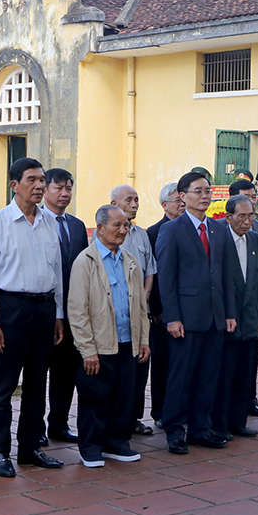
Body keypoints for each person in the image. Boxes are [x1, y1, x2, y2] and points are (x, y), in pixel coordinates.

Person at [0, 157, 65, 477]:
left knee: (36, 383)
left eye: (42, 180)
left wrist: (57, 313)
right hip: (10, 309)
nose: (40, 186)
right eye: (32, 180)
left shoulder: (49, 222)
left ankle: (29, 448)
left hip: (43, 309)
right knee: (2, 385)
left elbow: (55, 270)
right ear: (14, 185)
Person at [155, 172, 237, 454]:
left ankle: (200, 428)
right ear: (182, 195)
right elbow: (167, 278)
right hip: (186, 319)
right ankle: (174, 429)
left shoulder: (218, 229)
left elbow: (226, 275)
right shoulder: (172, 230)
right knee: (182, 376)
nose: (205, 196)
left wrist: (228, 312)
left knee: (208, 376)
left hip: (214, 316)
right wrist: (172, 317)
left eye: (208, 191)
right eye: (198, 191)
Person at [67, 205, 150, 467]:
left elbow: (140, 306)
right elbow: (77, 310)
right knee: (95, 397)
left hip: (128, 341)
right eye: (117, 225)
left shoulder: (130, 261)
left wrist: (143, 340)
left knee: (124, 395)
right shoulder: (85, 261)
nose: (123, 230)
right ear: (100, 228)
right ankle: (90, 446)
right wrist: (87, 349)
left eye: (126, 225)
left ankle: (116, 442)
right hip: (98, 345)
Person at [213, 195, 258, 440]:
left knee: (246, 374)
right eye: (242, 216)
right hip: (227, 319)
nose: (247, 222)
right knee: (224, 375)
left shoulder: (257, 240)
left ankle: (239, 422)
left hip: (250, 320)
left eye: (251, 216)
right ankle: (219, 424)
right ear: (229, 218)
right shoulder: (219, 240)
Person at [40, 168, 88, 447]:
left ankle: (58, 423)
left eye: (68, 188)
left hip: (71, 312)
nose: (64, 193)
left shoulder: (77, 225)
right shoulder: (35, 221)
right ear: (45, 190)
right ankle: (33, 427)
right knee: (36, 372)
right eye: (58, 188)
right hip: (42, 308)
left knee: (65, 371)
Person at [110, 184, 158, 436]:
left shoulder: (141, 234)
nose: (135, 204)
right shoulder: (104, 233)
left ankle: (133, 417)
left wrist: (144, 296)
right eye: (129, 199)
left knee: (140, 367)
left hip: (141, 311)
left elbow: (150, 269)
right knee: (118, 368)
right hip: (115, 312)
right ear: (114, 203)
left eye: (137, 199)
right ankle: (114, 419)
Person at [147, 183, 185, 427]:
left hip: (187, 309)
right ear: (164, 205)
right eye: (176, 199)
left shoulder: (188, 229)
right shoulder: (154, 232)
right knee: (162, 365)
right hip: (162, 311)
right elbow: (155, 275)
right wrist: (159, 310)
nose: (181, 203)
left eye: (183, 198)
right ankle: (160, 412)